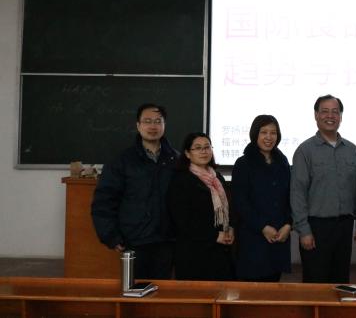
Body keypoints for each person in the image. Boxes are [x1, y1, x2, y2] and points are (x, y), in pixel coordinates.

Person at [91, 103, 178, 279]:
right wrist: (111, 235)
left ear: (164, 125)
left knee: (162, 290)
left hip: (167, 240)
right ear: (138, 125)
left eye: (158, 121)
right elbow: (104, 201)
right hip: (134, 239)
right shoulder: (122, 161)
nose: (153, 126)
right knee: (135, 289)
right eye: (147, 121)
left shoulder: (176, 160)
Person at [290, 94, 356, 283]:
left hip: (344, 226)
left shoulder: (352, 150)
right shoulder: (305, 150)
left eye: (335, 112)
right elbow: (297, 193)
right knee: (315, 284)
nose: (330, 116)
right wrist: (304, 231)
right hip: (316, 228)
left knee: (341, 283)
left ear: (341, 116)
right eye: (325, 111)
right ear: (316, 115)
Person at [231, 115, 292, 282]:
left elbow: (290, 195)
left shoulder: (282, 161)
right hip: (253, 236)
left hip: (279, 234)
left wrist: (288, 224)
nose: (269, 137)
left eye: (273, 133)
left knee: (273, 286)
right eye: (264, 132)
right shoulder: (243, 163)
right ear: (255, 134)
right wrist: (263, 227)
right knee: (252, 288)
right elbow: (240, 202)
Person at [167, 132, 234, 281]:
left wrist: (230, 228)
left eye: (207, 147)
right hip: (194, 253)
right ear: (187, 153)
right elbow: (182, 221)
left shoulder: (217, 177)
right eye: (197, 148)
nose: (204, 151)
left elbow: (228, 209)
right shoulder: (181, 180)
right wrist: (214, 236)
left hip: (219, 250)